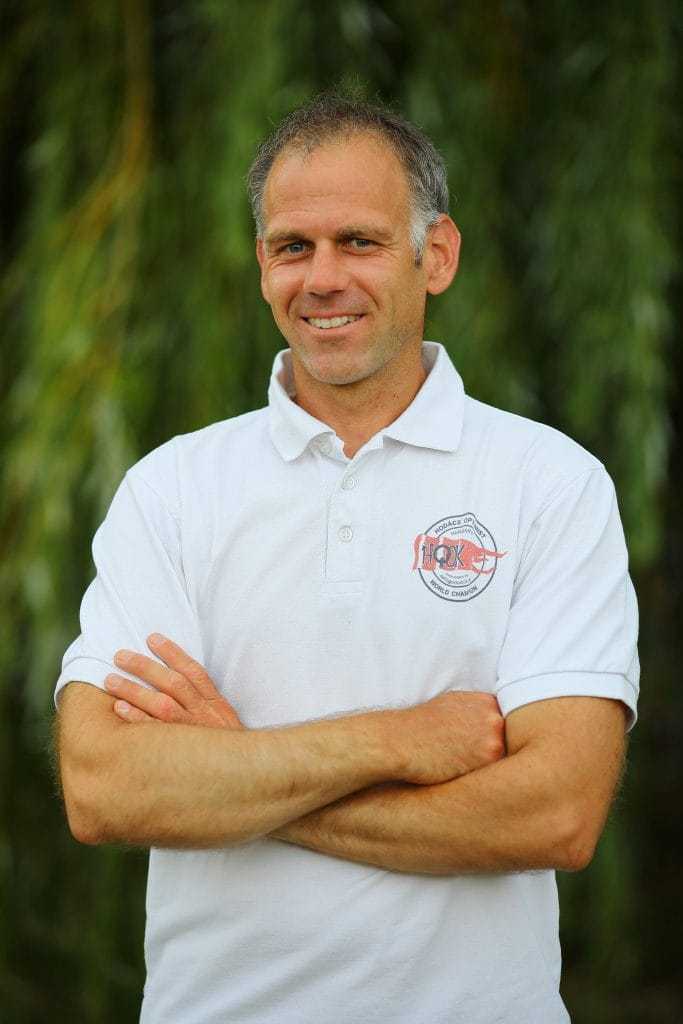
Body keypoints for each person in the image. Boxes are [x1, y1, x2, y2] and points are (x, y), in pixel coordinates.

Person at [55, 94, 639, 1024]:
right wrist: (395, 743)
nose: (322, 277)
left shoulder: (549, 483)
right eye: (293, 246)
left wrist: (235, 775)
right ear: (262, 266)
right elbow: (103, 787)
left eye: (359, 242)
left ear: (434, 255)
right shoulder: (170, 490)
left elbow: (555, 813)